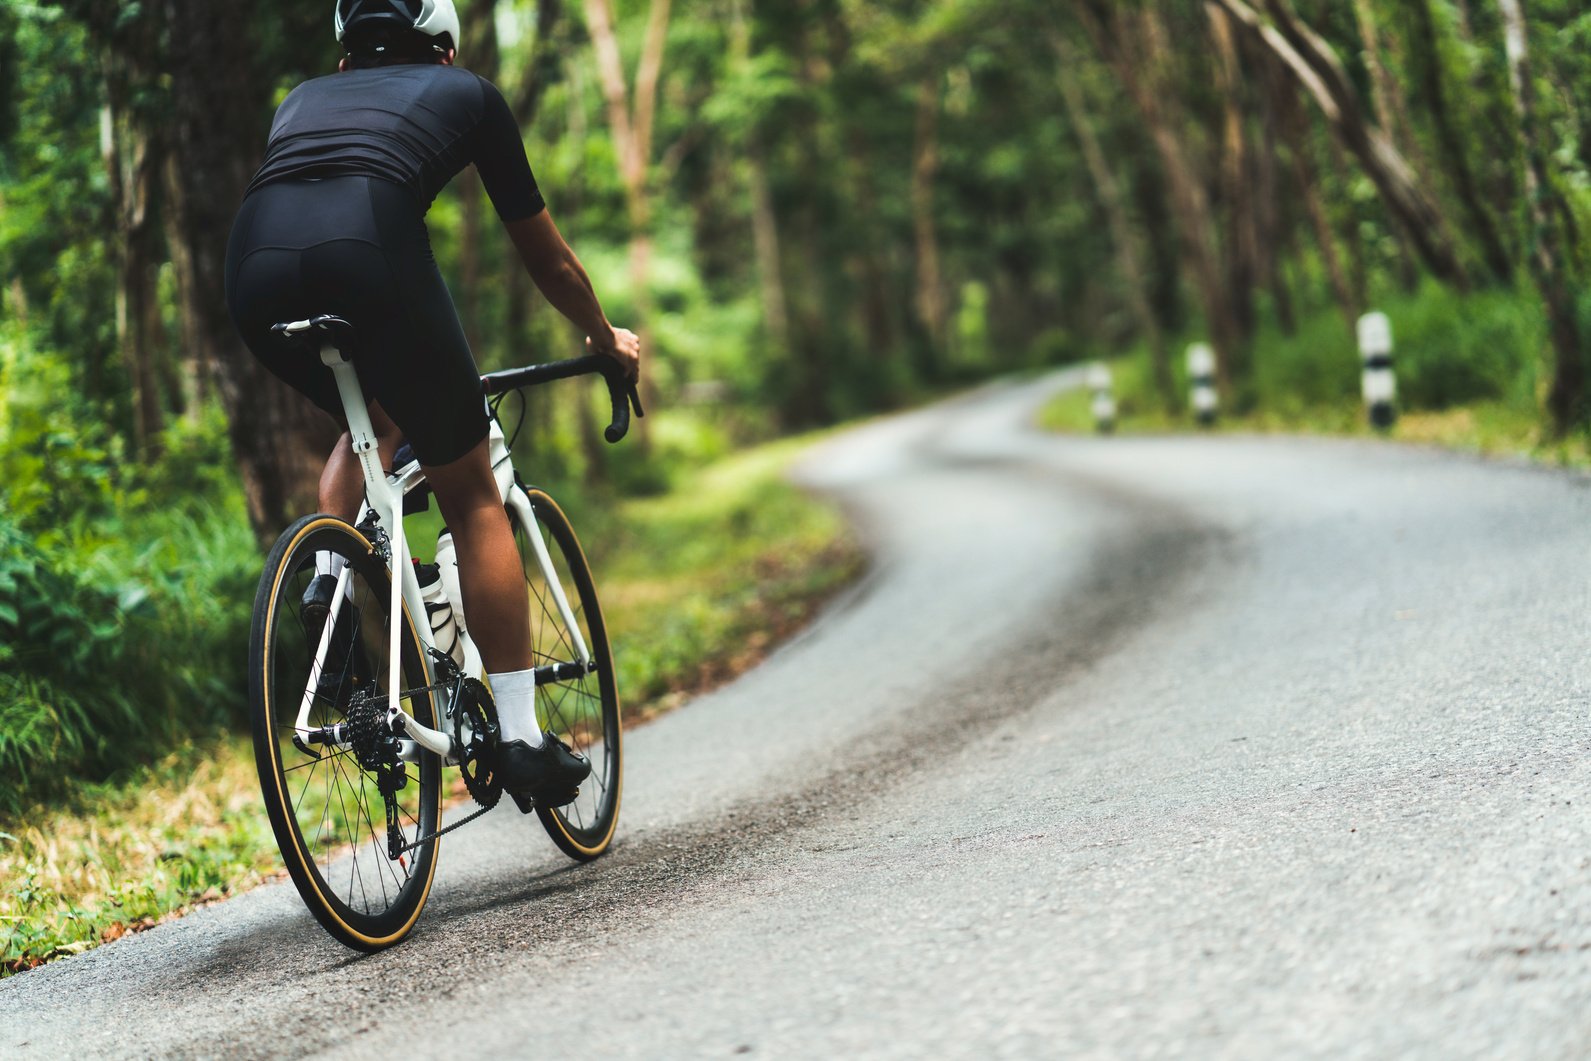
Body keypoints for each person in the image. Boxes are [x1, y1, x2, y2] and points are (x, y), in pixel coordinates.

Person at [225, 0, 640, 805]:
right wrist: (602, 336)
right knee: (473, 490)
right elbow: (549, 262)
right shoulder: (469, 95)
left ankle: (332, 573)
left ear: (344, 62)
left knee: (372, 420)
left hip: (252, 269)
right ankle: (520, 738)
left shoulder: (300, 100)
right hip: (370, 250)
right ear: (444, 52)